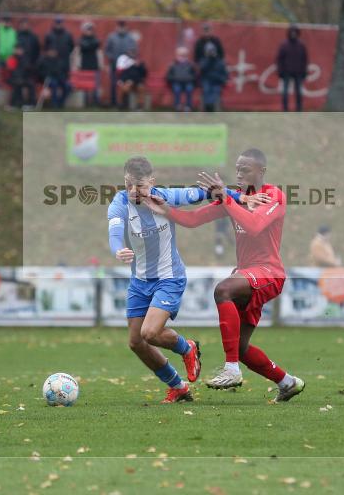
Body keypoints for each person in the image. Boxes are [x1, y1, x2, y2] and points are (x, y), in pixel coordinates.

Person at [145, 149, 305, 402]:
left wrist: (227, 199)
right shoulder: (235, 198)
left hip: (269, 272)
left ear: (261, 171)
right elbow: (193, 220)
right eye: (238, 169)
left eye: (246, 169)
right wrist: (163, 208)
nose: (239, 174)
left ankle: (231, 369)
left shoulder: (274, 196)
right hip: (247, 273)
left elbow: (254, 226)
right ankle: (288, 382)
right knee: (241, 348)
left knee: (223, 290)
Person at [106, 157, 257, 403]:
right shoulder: (119, 203)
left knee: (150, 332)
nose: (134, 191)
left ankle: (187, 348)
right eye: (128, 184)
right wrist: (117, 249)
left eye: (140, 186)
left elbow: (204, 192)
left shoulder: (166, 197)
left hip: (169, 278)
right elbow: (114, 231)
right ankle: (178, 387)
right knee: (136, 342)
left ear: (151, 183)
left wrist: (242, 198)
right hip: (140, 281)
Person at [104, 20, 137, 107]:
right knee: (114, 83)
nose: (121, 28)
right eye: (120, 26)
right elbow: (107, 50)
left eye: (123, 26)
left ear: (126, 27)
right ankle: (113, 102)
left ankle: (124, 103)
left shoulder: (130, 38)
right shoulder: (111, 37)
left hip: (126, 67)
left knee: (126, 84)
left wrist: (129, 58)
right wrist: (111, 57)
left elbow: (135, 51)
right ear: (117, 27)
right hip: (114, 65)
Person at [44, 17, 75, 107]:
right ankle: (54, 104)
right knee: (53, 85)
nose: (58, 25)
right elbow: (45, 49)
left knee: (68, 87)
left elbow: (71, 47)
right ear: (54, 23)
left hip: (63, 69)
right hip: (51, 70)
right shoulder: (49, 35)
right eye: (57, 23)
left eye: (60, 23)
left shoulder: (68, 35)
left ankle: (60, 103)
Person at [276, 25, 308, 112]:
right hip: (286, 71)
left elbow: (305, 59)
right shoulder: (284, 45)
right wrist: (280, 71)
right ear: (289, 33)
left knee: (298, 92)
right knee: (285, 92)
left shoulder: (301, 45)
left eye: (295, 32)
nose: (293, 34)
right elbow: (279, 59)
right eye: (292, 32)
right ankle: (285, 109)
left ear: (297, 33)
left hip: (298, 72)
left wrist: (304, 71)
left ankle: (299, 109)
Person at [198, 42, 228, 112]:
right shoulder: (203, 60)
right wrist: (209, 59)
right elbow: (202, 69)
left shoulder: (220, 61)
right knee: (206, 91)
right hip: (206, 81)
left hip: (216, 81)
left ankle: (214, 109)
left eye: (212, 50)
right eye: (209, 51)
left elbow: (224, 73)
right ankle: (206, 109)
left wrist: (223, 80)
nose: (211, 52)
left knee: (216, 92)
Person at [77, 22, 102, 105]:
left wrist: (89, 45)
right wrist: (89, 45)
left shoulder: (95, 38)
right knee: (85, 85)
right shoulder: (81, 39)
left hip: (94, 65)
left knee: (95, 85)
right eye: (87, 29)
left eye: (90, 29)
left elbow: (97, 43)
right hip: (84, 65)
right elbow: (83, 46)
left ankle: (96, 102)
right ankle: (85, 102)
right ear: (83, 30)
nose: (89, 31)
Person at [165, 46, 197, 111]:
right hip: (177, 82)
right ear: (177, 55)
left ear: (186, 56)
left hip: (188, 82)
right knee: (177, 90)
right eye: (180, 55)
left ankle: (188, 106)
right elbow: (168, 76)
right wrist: (174, 78)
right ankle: (177, 105)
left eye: (184, 55)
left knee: (189, 89)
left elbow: (194, 75)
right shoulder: (172, 65)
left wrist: (189, 78)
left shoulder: (190, 65)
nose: (182, 57)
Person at [6, 45, 36, 109]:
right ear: (14, 50)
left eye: (20, 50)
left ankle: (30, 103)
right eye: (17, 50)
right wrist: (19, 76)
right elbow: (11, 70)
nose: (19, 51)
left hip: (23, 78)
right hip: (12, 78)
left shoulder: (25, 58)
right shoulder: (12, 58)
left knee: (31, 84)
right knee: (18, 84)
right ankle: (13, 104)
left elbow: (28, 69)